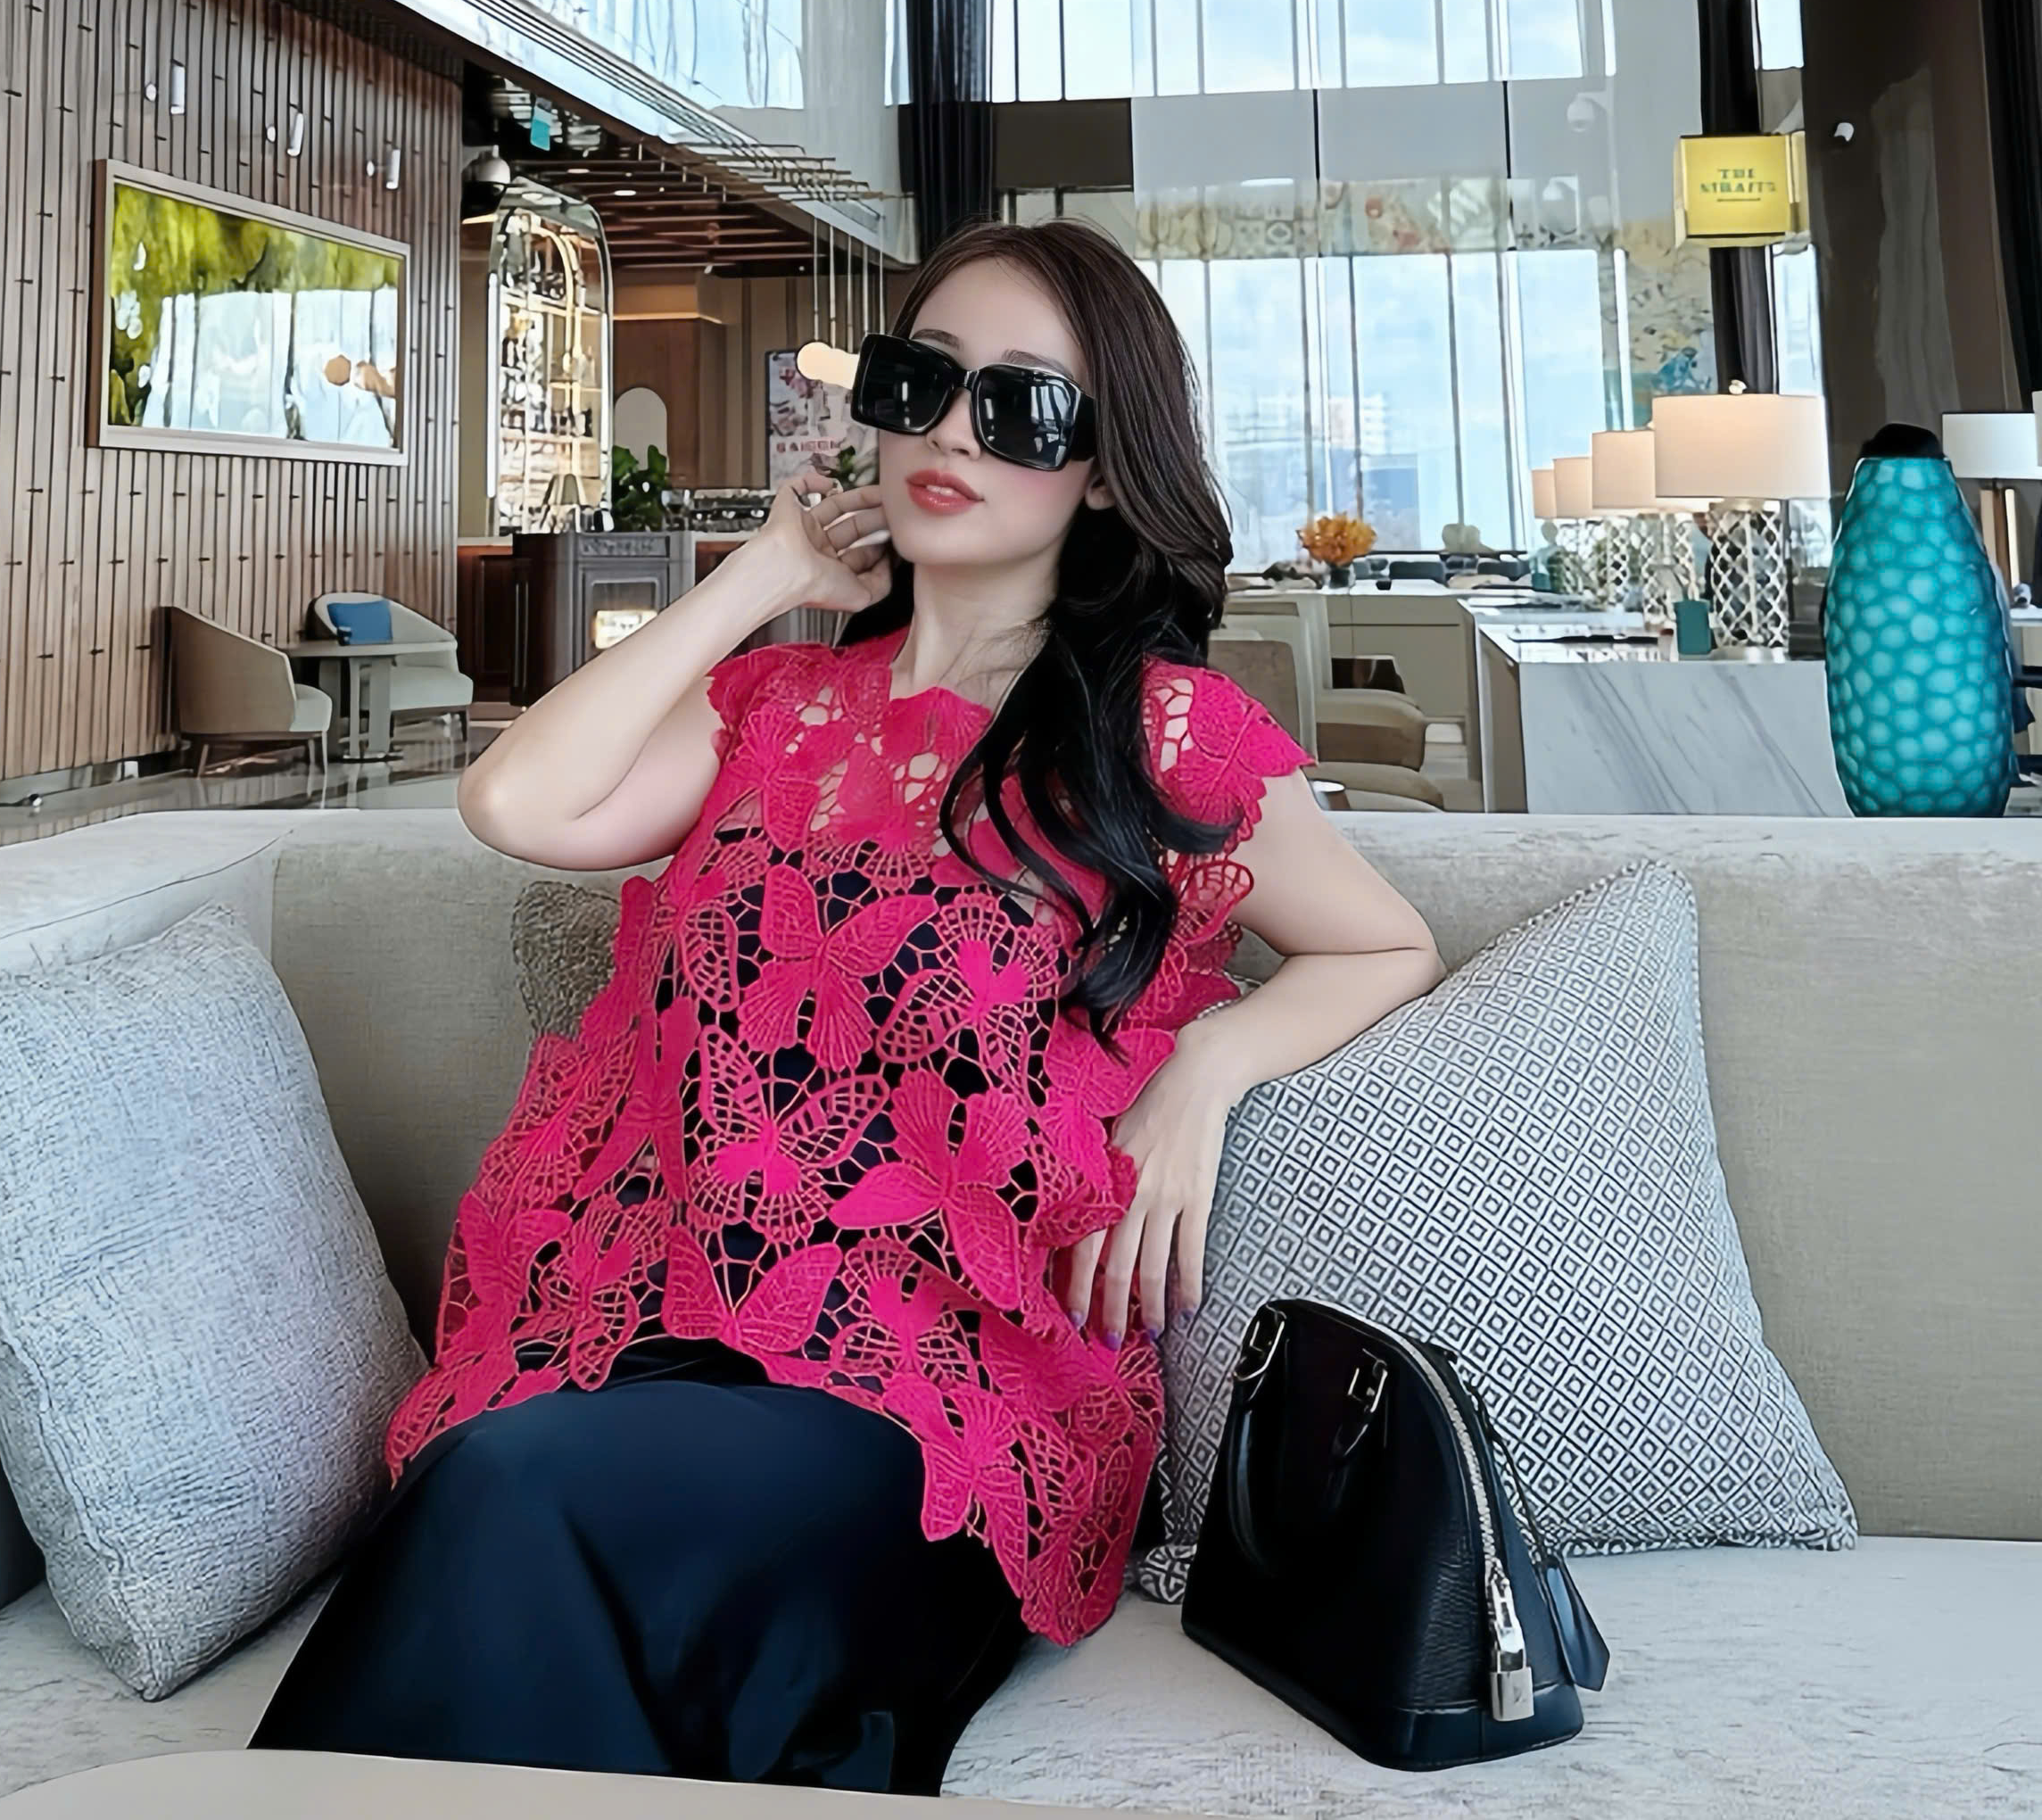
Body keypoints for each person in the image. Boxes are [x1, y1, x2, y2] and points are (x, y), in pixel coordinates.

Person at [252, 219, 1444, 1792]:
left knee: (509, 1495)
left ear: (1105, 471)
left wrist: (1210, 1061)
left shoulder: (1160, 733)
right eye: (918, 381)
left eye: (1023, 407)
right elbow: (516, 800)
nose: (953, 431)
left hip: (944, 1402)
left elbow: (1383, 946)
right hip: (668, 1335)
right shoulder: (777, 708)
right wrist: (770, 573)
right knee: (498, 1479)